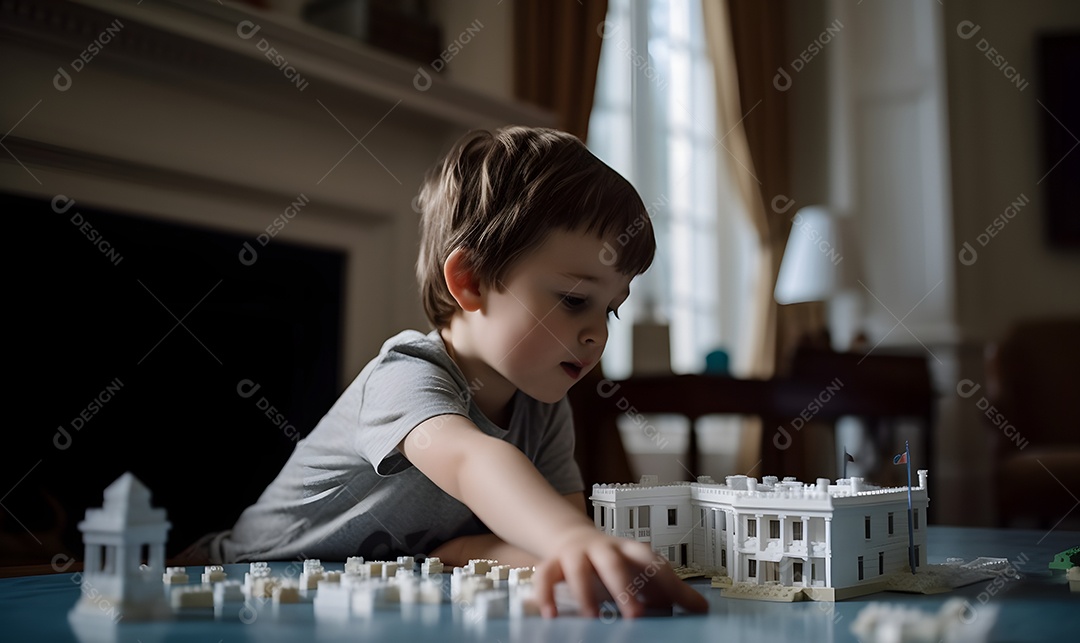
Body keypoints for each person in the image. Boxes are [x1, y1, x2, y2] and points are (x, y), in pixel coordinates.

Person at [196, 126, 706, 618]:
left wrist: (489, 549)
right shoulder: (406, 373)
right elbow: (469, 460)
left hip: (340, 601)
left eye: (610, 309)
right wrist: (571, 541)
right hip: (230, 579)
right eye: (575, 300)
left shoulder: (545, 410)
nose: (598, 333)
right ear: (472, 280)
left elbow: (548, 537)